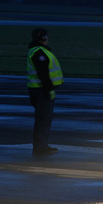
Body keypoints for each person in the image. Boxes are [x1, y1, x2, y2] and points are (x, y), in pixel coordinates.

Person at [26, 27, 63, 156]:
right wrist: (49, 89)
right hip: (41, 90)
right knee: (43, 119)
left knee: (43, 119)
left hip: (38, 89)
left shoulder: (37, 51)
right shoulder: (40, 52)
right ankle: (40, 146)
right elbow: (43, 73)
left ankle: (42, 145)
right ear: (44, 38)